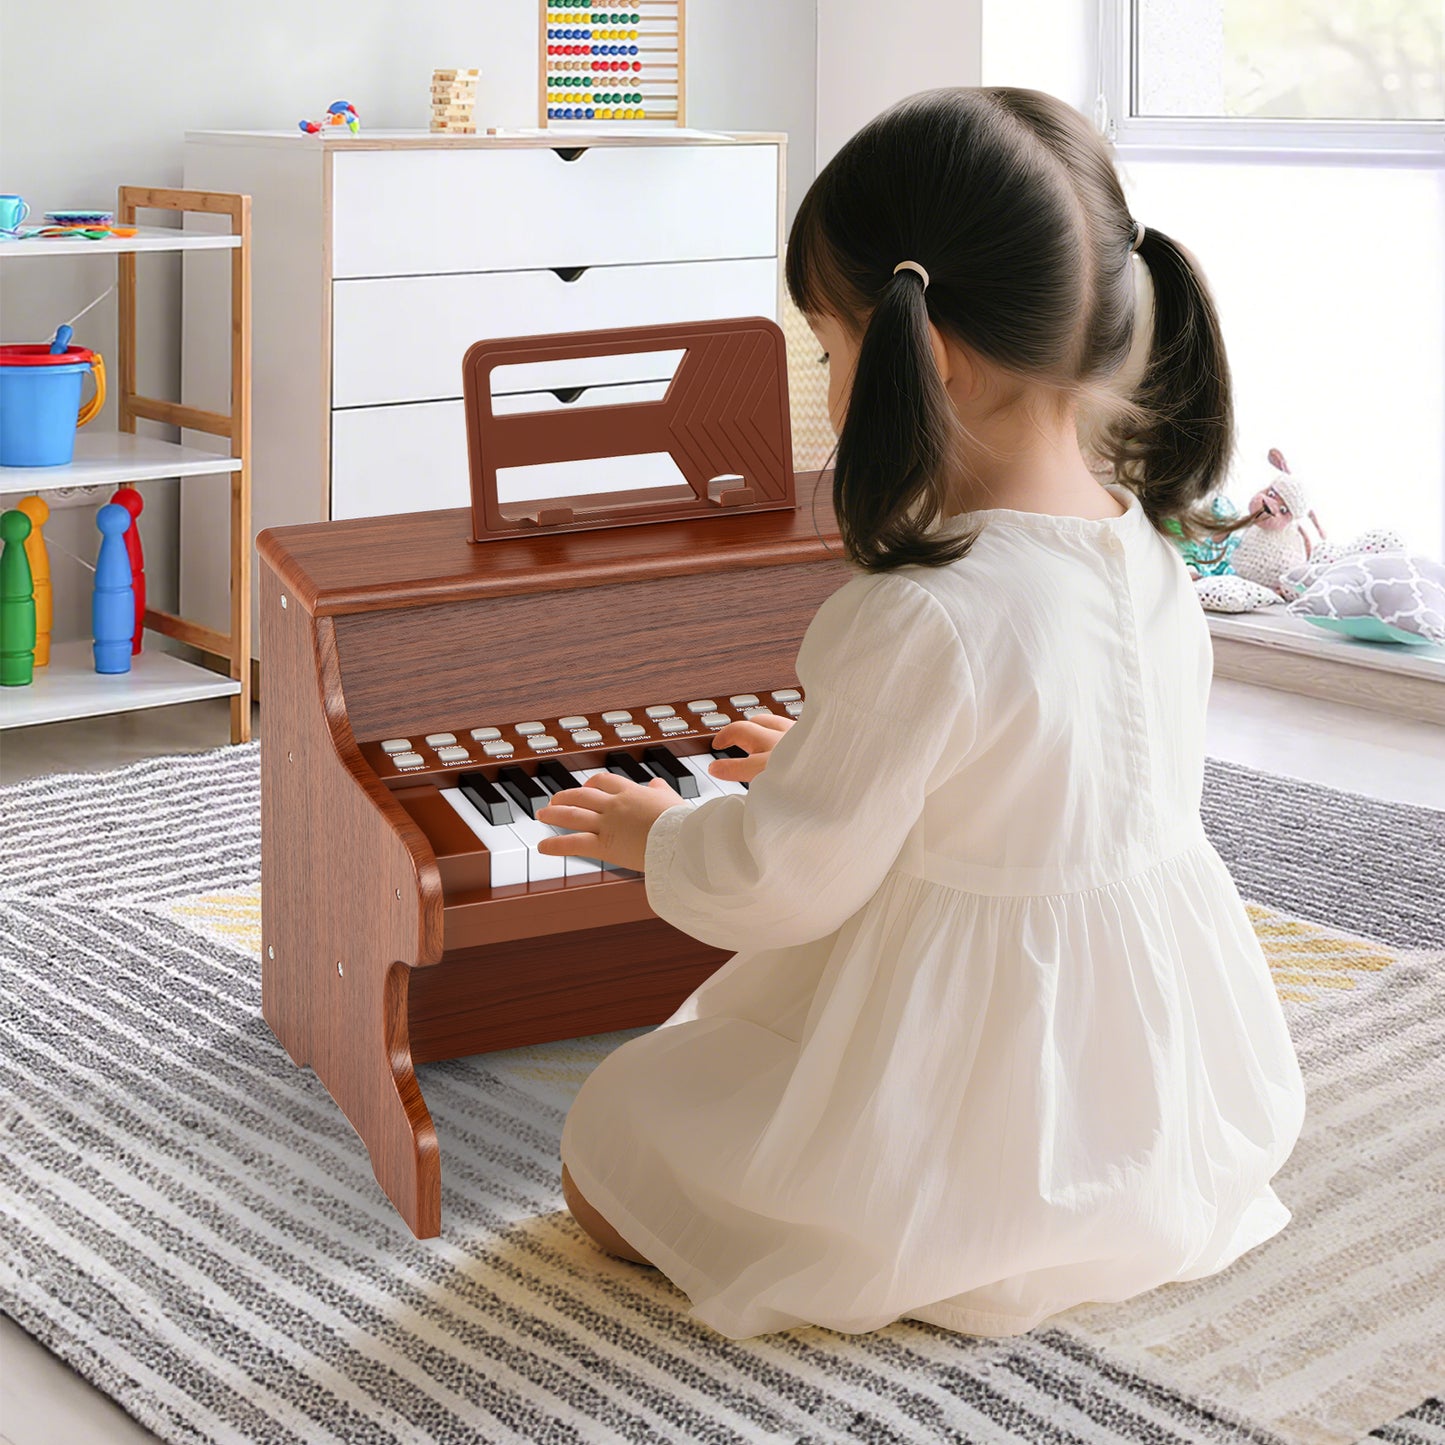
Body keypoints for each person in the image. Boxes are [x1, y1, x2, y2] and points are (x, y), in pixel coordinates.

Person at [534, 85, 1308, 1341]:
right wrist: (849, 761)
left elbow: (785, 882)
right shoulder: (1145, 552)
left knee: (609, 1146)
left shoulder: (921, 610)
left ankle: (944, 1230)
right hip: (1157, 1087)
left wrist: (659, 834)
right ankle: (1088, 1209)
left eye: (829, 345)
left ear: (925, 352)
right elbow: (1061, 776)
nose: (830, 376)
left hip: (975, 1087)